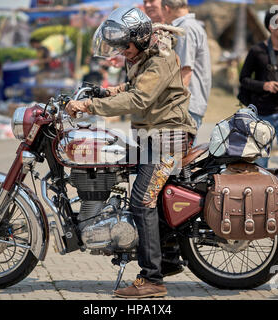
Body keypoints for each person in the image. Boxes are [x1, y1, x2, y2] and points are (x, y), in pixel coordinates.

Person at [65, 6, 196, 298]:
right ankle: (169, 259)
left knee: (141, 201)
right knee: (144, 192)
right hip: (153, 135)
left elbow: (139, 98)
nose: (122, 51)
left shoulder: (160, 58)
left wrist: (89, 106)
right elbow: (134, 85)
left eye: (125, 46)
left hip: (167, 138)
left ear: (138, 38)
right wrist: (104, 91)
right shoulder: (144, 55)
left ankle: (152, 279)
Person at [239, 7, 278, 178]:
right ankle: (262, 196)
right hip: (262, 115)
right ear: (272, 27)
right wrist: (264, 85)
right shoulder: (257, 51)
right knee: (261, 161)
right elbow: (243, 79)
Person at [161, 0, 212, 131]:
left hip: (185, 106)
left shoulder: (185, 28)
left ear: (167, 9)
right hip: (190, 104)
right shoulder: (192, 25)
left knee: (177, 151)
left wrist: (174, 105)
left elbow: (185, 71)